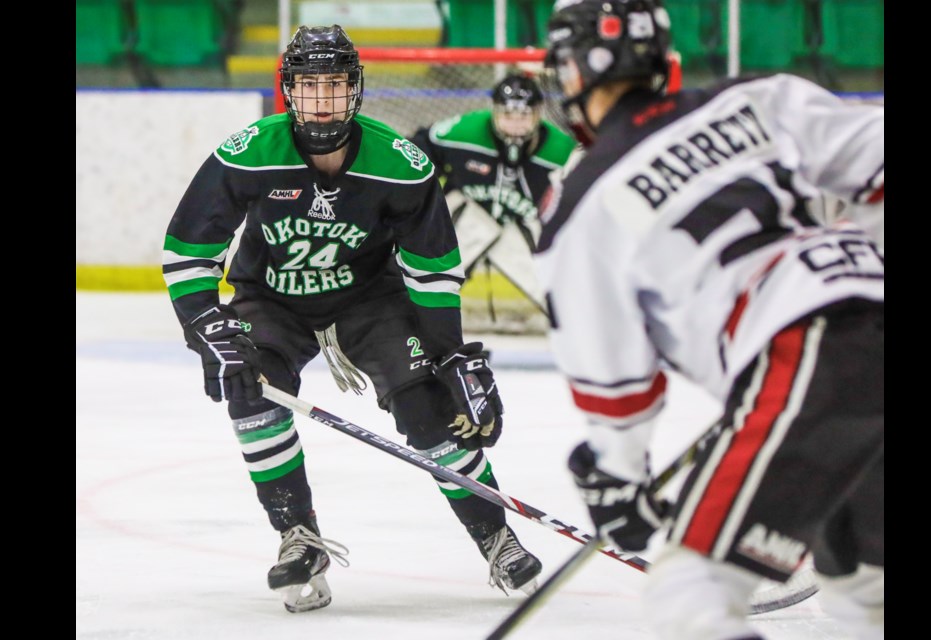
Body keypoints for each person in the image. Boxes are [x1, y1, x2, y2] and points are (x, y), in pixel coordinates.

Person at [161, 24, 542, 614]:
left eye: (333, 85)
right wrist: (207, 325)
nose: (321, 100)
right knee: (252, 392)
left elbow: (434, 271)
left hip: (371, 300)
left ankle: (496, 535)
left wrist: (447, 356)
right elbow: (188, 252)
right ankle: (298, 535)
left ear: (355, 91)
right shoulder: (249, 152)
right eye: (309, 86)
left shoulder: (400, 164)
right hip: (272, 299)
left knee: (427, 409)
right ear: (289, 91)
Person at [536, 1, 883, 639]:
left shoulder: (582, 204)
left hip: (805, 356)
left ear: (576, 75)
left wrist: (617, 475)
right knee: (865, 583)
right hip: (854, 325)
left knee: (690, 590)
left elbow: (614, 381)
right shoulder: (757, 98)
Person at [410, 73, 577, 326]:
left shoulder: (562, 151)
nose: (516, 124)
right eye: (508, 115)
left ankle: (574, 330)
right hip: (466, 220)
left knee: (549, 283)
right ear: (495, 112)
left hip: (519, 227)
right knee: (431, 277)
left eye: (523, 116)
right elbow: (419, 150)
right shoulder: (464, 131)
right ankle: (415, 327)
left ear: (538, 114)